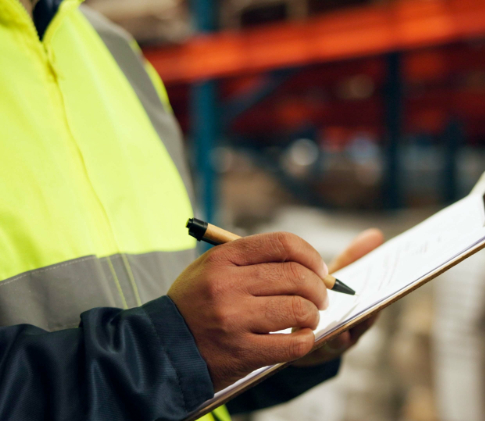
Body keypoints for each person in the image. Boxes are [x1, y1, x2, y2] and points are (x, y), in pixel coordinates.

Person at [0, 1, 383, 420]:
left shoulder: (115, 52)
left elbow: (179, 369)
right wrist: (165, 350)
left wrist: (272, 350)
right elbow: (165, 352)